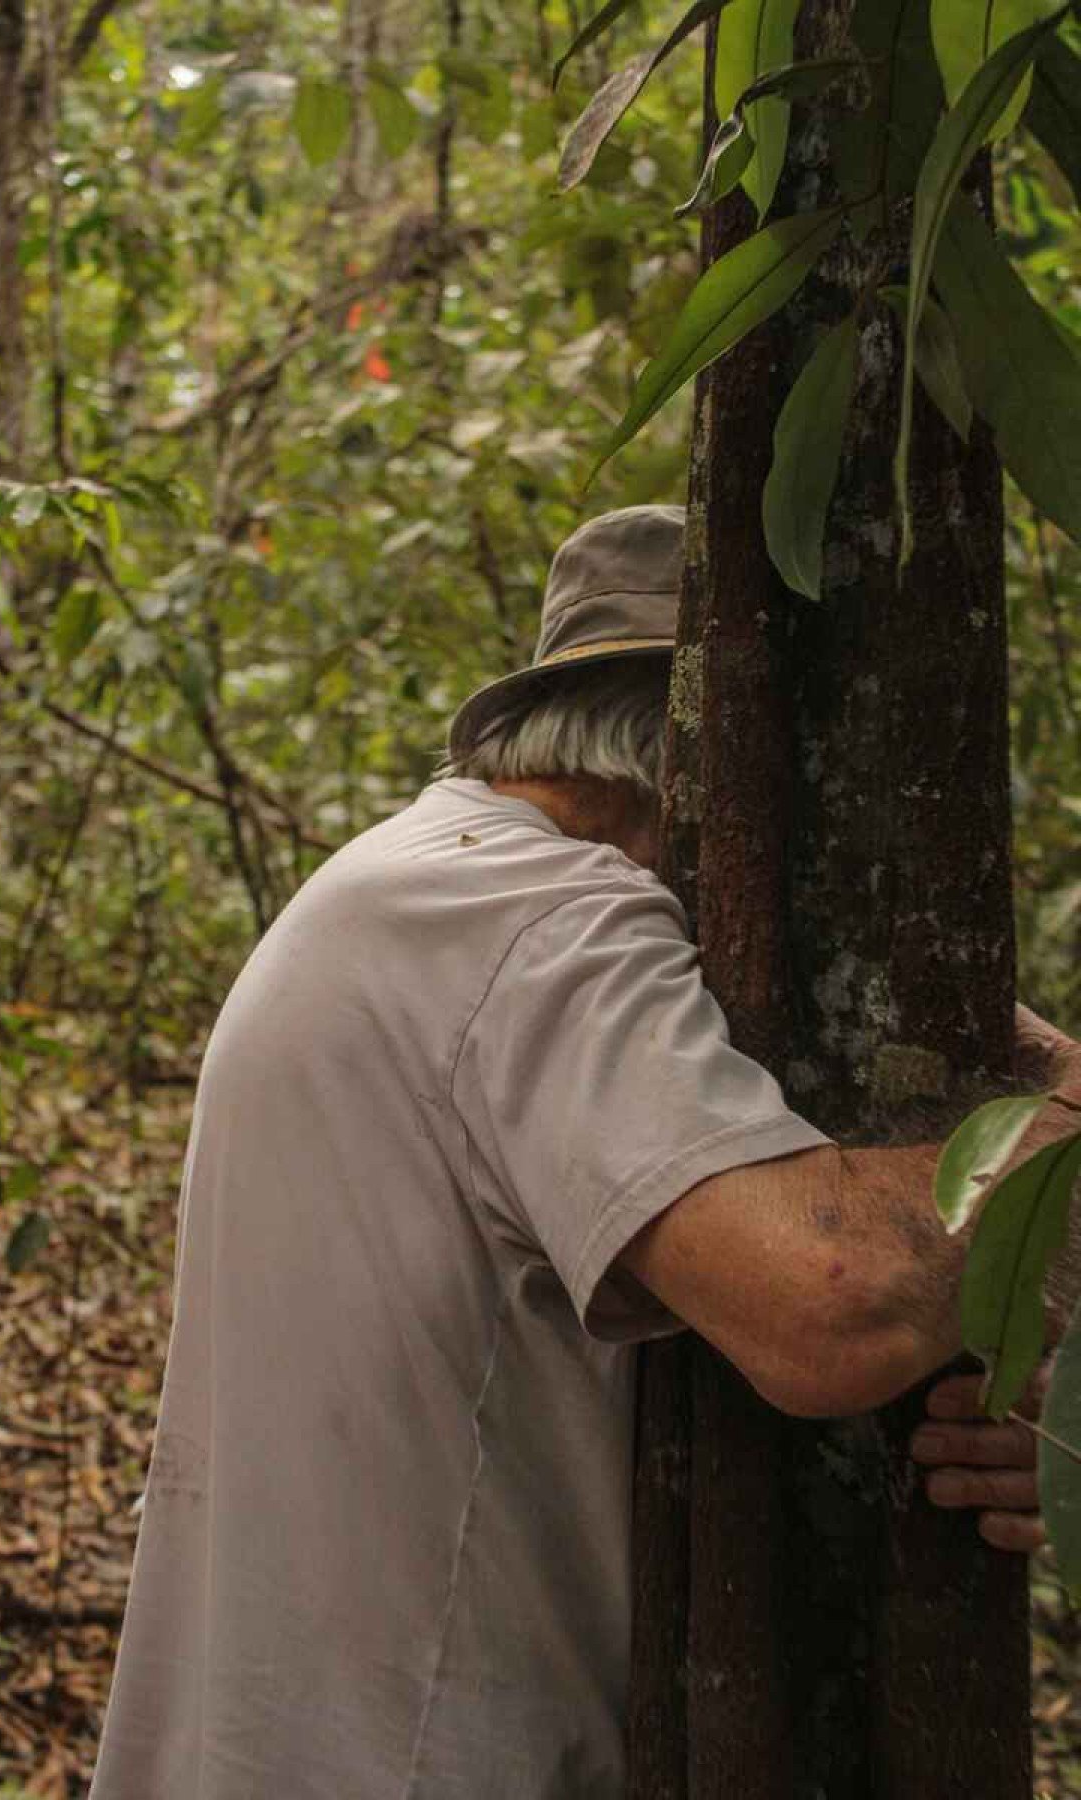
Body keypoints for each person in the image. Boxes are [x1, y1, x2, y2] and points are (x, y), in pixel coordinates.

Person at [88, 506, 1074, 1800]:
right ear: (700, 774)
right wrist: (1063, 1119)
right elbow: (832, 1298)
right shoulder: (537, 919)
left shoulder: (404, 881)